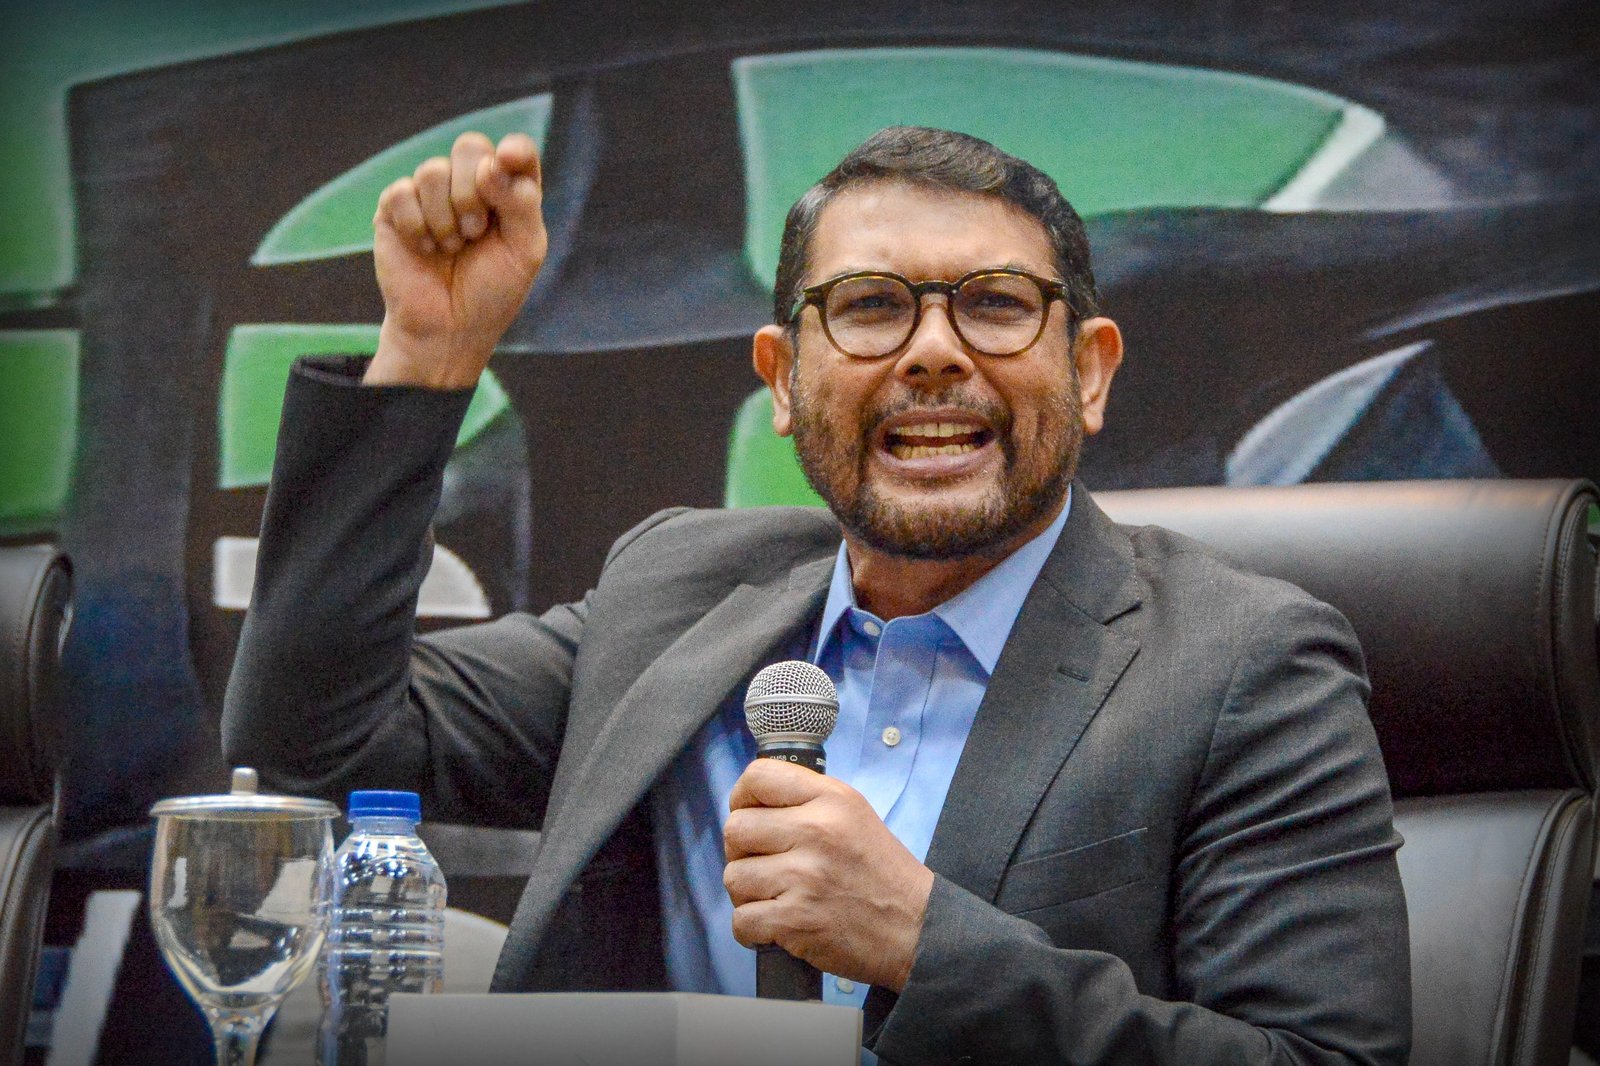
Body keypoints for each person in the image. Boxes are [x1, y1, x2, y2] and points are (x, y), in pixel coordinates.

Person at [223, 125, 1410, 1064]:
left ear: (1088, 372)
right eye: (871, 306)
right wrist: (430, 355)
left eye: (996, 304)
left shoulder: (1243, 663)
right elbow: (312, 734)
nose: (933, 350)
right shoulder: (675, 592)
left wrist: (923, 943)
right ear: (783, 381)